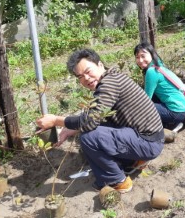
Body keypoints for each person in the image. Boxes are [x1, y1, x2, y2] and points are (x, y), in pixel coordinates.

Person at [36, 49, 164, 193]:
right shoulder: (113, 77)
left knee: (89, 137)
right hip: (149, 138)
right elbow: (98, 116)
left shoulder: (109, 84)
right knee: (93, 129)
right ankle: (134, 160)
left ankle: (118, 180)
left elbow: (90, 121)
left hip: (149, 143)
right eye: (80, 76)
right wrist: (68, 129)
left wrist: (55, 120)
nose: (86, 78)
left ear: (100, 65)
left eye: (88, 71)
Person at [134, 42, 185, 129]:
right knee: (154, 96)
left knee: (142, 108)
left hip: (176, 112)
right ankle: (179, 120)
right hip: (184, 108)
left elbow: (146, 100)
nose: (140, 60)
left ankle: (171, 124)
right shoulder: (159, 65)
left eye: (143, 56)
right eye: (137, 57)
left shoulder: (151, 72)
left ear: (151, 54)